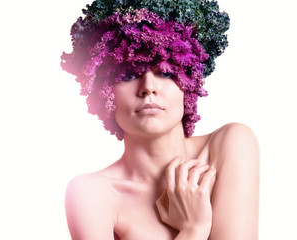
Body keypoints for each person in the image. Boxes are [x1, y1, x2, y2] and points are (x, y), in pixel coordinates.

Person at [61, 1, 259, 239]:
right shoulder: (91, 194)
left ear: (189, 82)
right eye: (128, 74)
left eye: (165, 72)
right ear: (103, 91)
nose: (148, 88)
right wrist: (193, 229)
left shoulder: (229, 146)